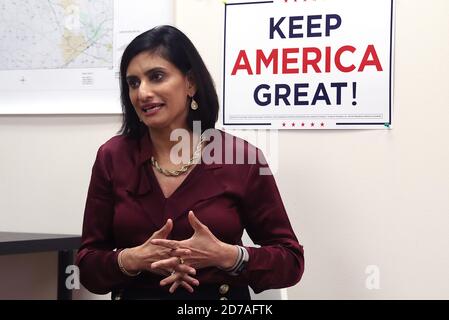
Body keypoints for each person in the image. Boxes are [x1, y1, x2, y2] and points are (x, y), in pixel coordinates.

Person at [75, 25, 304, 300]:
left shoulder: (241, 157)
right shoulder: (112, 156)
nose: (142, 93)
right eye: (133, 82)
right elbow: (87, 266)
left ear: (191, 82)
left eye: (156, 77)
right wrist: (132, 259)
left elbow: (290, 261)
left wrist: (227, 255)